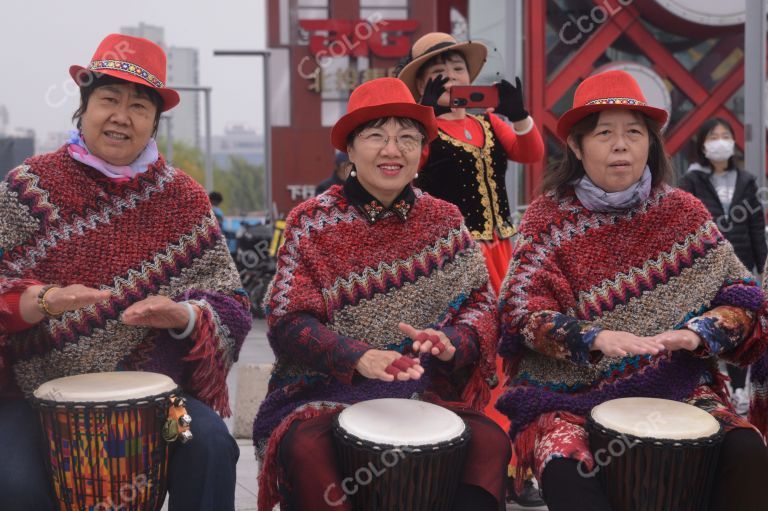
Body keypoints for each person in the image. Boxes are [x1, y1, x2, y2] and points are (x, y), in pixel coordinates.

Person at [0, 34, 252, 511]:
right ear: (84, 106)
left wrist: (184, 316)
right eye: (109, 100)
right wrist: (43, 300)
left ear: (155, 121)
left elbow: (232, 303)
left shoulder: (184, 198)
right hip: (35, 396)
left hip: (159, 399)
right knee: (13, 483)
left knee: (214, 446)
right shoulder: (26, 189)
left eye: (139, 105)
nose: (121, 116)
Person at [496, 70, 768, 511]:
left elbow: (743, 296)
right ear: (577, 146)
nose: (620, 144)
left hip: (677, 385)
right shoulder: (547, 218)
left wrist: (700, 332)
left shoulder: (683, 211)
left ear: (650, 144)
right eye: (604, 133)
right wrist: (593, 338)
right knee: (567, 469)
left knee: (747, 450)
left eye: (634, 133)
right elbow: (521, 312)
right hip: (568, 397)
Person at [252, 77, 509, 511]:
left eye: (407, 138)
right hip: (320, 393)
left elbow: (480, 306)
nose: (393, 150)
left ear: (421, 152)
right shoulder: (310, 222)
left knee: (490, 442)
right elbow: (288, 320)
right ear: (350, 150)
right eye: (376, 136)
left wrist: (453, 343)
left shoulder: (445, 220)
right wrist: (359, 357)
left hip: (423, 390)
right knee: (309, 451)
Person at [397, 31, 546, 505]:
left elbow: (532, 153)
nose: (452, 77)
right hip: (452, 258)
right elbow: (407, 166)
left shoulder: (489, 125)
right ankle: (463, 461)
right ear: (423, 82)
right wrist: (424, 117)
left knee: (513, 359)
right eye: (439, 72)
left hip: (504, 252)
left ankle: (516, 467)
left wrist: (519, 114)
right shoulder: (421, 130)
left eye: (459, 68)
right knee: (465, 358)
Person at [679, 118, 767, 415]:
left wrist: (761, 264)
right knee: (706, 325)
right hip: (705, 267)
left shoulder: (746, 180)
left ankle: (740, 389)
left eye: (725, 135)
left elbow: (756, 224)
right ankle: (710, 386)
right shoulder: (691, 181)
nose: (720, 140)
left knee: (739, 324)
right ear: (703, 144)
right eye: (713, 135)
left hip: (740, 263)